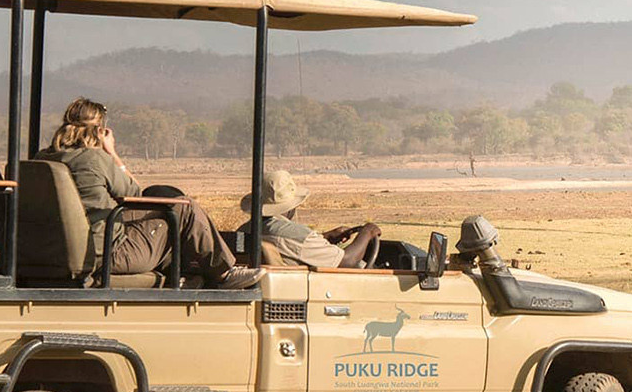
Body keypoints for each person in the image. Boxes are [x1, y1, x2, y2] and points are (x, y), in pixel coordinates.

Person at [38, 98, 264, 289]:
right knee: (183, 208)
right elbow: (137, 194)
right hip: (106, 253)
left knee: (166, 216)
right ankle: (223, 274)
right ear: (99, 130)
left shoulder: (43, 159)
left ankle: (185, 276)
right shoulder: (95, 159)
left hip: (56, 250)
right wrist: (112, 153)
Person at [238, 170, 380, 268]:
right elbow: (348, 261)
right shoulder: (298, 235)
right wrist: (368, 231)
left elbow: (290, 248)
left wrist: (323, 237)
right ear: (292, 206)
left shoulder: (245, 230)